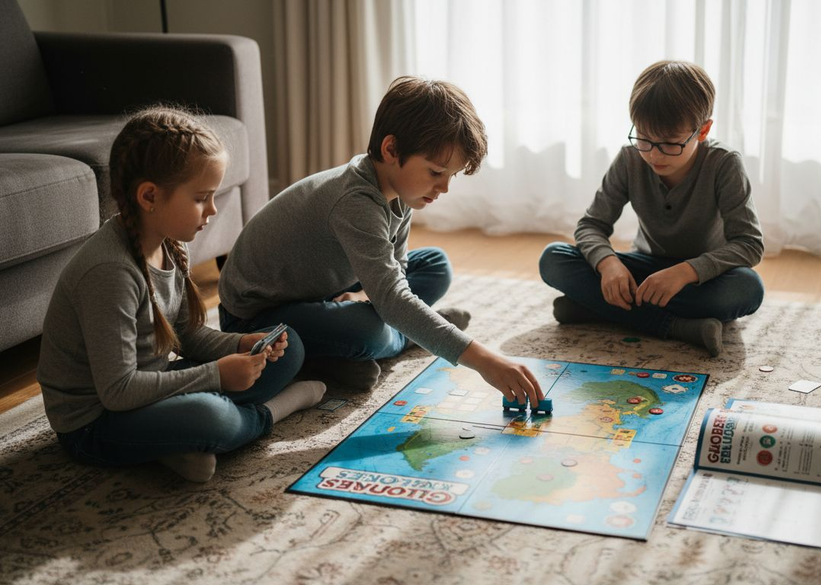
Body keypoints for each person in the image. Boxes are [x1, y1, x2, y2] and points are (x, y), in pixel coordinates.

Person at [37, 106, 325, 483]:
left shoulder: (170, 243)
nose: (213, 209)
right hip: (96, 422)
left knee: (291, 348)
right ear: (149, 196)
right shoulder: (110, 273)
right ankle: (271, 411)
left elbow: (187, 335)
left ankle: (175, 447)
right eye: (201, 198)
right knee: (215, 418)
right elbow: (118, 392)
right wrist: (216, 376)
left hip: (151, 387)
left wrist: (239, 344)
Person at [217, 77, 543, 406]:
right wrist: (485, 361)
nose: (444, 188)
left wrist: (363, 295)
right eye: (436, 172)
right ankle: (397, 340)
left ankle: (346, 353)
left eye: (451, 176)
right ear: (391, 150)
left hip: (322, 288)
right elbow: (392, 300)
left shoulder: (401, 189)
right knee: (370, 330)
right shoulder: (355, 201)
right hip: (256, 317)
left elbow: (397, 270)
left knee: (435, 264)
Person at [538, 61, 765, 357]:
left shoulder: (724, 164)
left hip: (698, 279)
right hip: (643, 270)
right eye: (644, 139)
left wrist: (686, 272)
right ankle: (678, 327)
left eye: (670, 143)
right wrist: (609, 265)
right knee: (553, 258)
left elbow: (749, 244)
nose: (654, 155)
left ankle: (593, 308)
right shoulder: (630, 159)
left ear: (703, 130)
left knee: (747, 288)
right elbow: (591, 225)